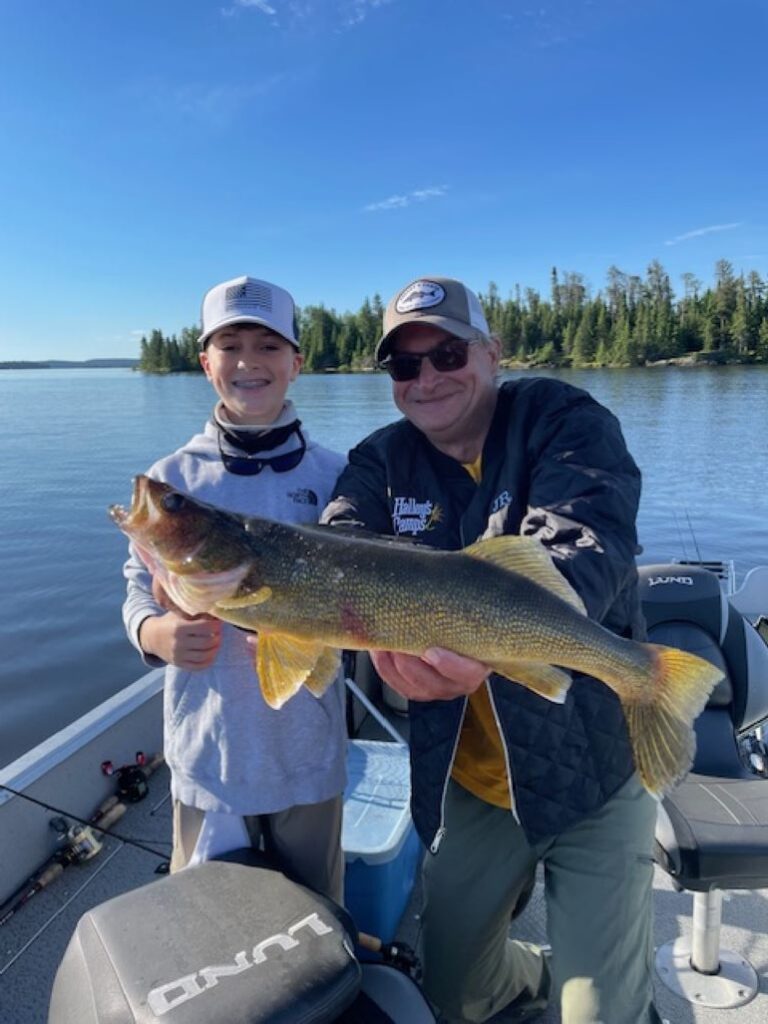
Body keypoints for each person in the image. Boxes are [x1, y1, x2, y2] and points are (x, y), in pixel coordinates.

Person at [321, 276, 661, 1023]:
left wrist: (488, 644)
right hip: (470, 785)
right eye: (405, 366)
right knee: (455, 996)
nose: (428, 378)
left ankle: (601, 983)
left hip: (594, 770)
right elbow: (341, 538)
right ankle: (551, 970)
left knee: (601, 1015)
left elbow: (583, 544)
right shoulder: (380, 461)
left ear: (493, 353)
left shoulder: (566, 419)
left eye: (447, 353)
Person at [121, 275, 347, 902]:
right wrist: (153, 631)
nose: (249, 361)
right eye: (230, 344)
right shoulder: (173, 480)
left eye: (269, 345)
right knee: (207, 925)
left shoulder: (339, 476)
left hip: (308, 752)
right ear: (206, 363)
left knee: (319, 920)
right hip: (207, 754)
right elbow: (137, 586)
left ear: (297, 363)